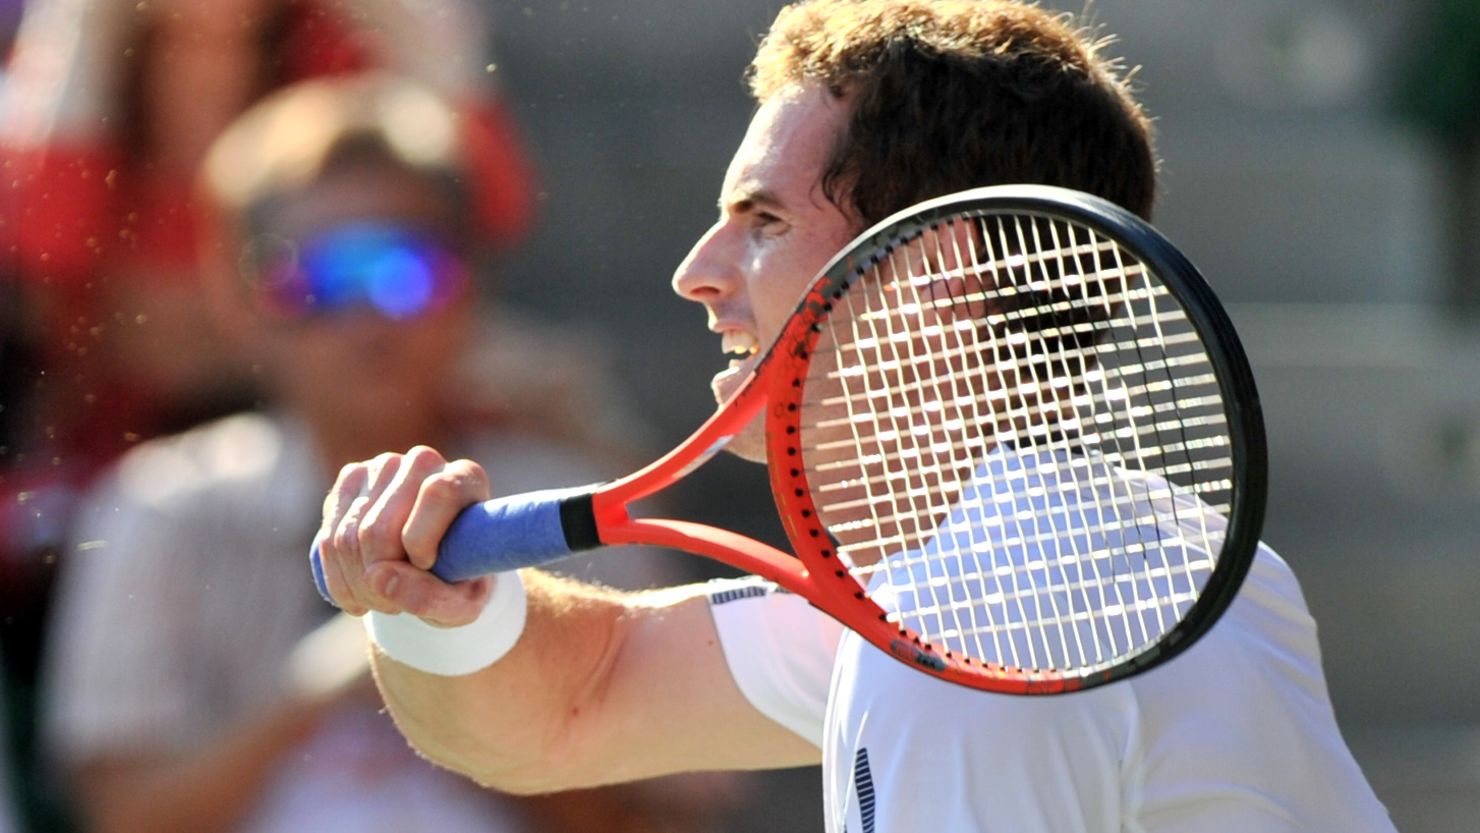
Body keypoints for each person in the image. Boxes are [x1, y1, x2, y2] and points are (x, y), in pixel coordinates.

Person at [313, 2, 1398, 831]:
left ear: (933, 270)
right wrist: (430, 608)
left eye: (763, 220)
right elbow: (570, 708)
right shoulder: (1093, 565)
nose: (696, 273)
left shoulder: (979, 630)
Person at [40, 72, 739, 833]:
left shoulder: (575, 506)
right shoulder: (159, 508)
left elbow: (660, 819)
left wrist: (462, 679)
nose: (370, 316)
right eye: (322, 276)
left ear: (469, 287)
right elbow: (121, 815)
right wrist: (316, 692)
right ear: (239, 301)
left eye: (406, 269)